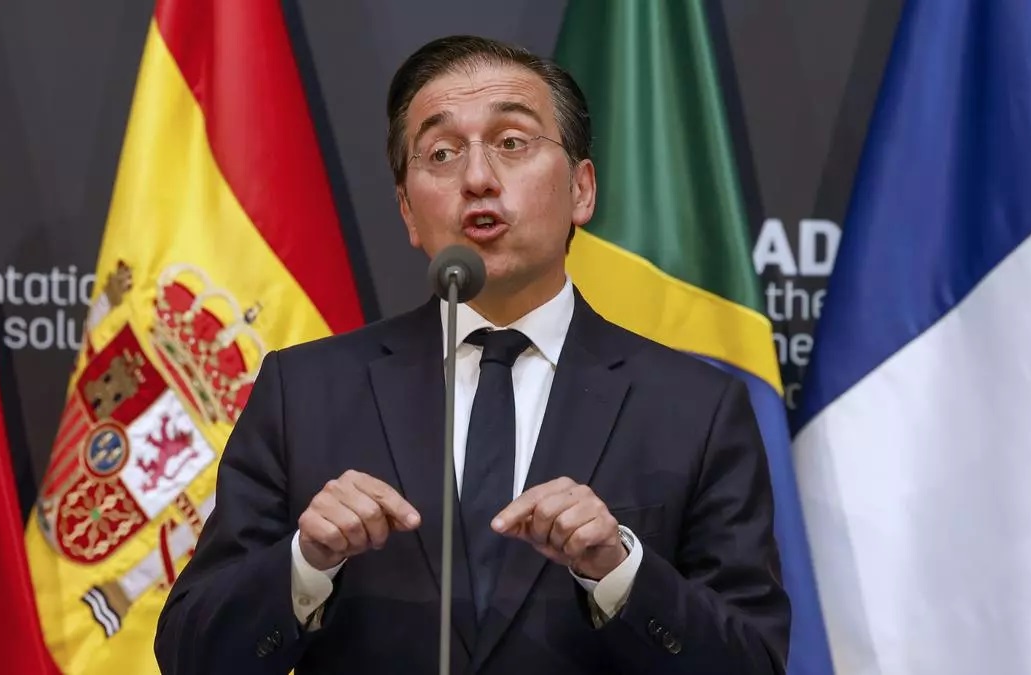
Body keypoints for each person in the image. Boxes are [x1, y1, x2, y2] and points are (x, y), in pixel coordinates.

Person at [155, 35, 790, 675]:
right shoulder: (305, 392)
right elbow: (190, 655)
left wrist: (621, 571)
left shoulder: (695, 408)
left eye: (512, 142)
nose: (479, 179)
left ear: (581, 190)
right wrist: (305, 564)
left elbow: (755, 663)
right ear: (408, 211)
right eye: (441, 153)